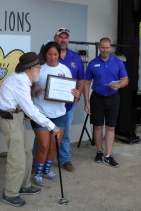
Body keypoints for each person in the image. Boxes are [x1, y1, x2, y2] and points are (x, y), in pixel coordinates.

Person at [0, 52, 61, 207]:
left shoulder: (22, 79)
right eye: (38, 67)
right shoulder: (19, 81)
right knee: (17, 157)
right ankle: (10, 193)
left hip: (17, 117)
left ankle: (24, 185)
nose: (40, 70)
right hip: (11, 120)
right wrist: (51, 126)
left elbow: (25, 107)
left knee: (26, 152)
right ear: (31, 69)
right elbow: (31, 110)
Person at [31, 42, 79, 186]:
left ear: (60, 55)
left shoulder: (65, 69)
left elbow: (72, 94)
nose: (52, 57)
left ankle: (46, 170)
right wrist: (35, 93)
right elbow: (28, 91)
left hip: (60, 114)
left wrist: (75, 95)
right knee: (44, 146)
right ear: (45, 55)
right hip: (41, 113)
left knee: (54, 146)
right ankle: (38, 172)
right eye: (50, 54)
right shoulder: (39, 70)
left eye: (55, 54)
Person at [83, 37, 128, 167]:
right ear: (99, 48)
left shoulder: (118, 63)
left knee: (110, 127)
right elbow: (86, 83)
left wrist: (119, 86)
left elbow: (125, 79)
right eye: (103, 47)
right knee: (97, 126)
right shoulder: (92, 63)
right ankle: (99, 152)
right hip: (97, 98)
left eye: (107, 47)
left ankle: (108, 155)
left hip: (113, 98)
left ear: (110, 48)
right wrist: (86, 102)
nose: (105, 50)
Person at [54, 27, 85, 172]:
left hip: (68, 105)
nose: (63, 40)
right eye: (61, 37)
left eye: (66, 37)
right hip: (50, 103)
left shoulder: (75, 57)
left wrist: (77, 95)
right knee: (46, 132)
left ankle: (65, 159)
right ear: (55, 38)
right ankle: (40, 161)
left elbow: (81, 79)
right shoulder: (49, 54)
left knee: (65, 133)